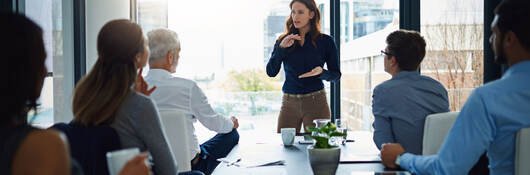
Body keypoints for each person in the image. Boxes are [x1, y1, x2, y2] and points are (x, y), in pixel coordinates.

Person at [380, 0, 530, 174]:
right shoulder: (438, 88)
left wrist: (401, 157)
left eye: (495, 33)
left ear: (510, 39)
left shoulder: (488, 99)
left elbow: (446, 169)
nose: (490, 40)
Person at [1, 13, 151, 175]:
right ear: (19, 70)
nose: (45, 72)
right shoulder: (40, 147)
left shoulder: (86, 94)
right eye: (42, 61)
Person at [71, 20, 202, 175]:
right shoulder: (140, 105)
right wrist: (141, 101)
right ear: (138, 57)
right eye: (146, 45)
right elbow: (169, 170)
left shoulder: (84, 95)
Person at [145, 28, 239, 175]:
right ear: (170, 57)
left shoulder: (134, 90)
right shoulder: (187, 87)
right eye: (178, 54)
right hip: (192, 167)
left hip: (151, 169)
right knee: (231, 134)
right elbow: (213, 123)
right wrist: (231, 123)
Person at [266, 0, 341, 133]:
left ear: (311, 14)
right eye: (293, 12)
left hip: (317, 102)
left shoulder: (326, 41)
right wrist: (281, 49)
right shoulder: (283, 41)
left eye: (300, 12)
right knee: (286, 147)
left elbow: (336, 75)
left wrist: (321, 72)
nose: (295, 16)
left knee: (319, 147)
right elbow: (271, 72)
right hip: (289, 104)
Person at [372, 30, 449, 155]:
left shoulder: (382, 91)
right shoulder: (438, 88)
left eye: (385, 54)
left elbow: (383, 143)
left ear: (393, 60)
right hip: (436, 166)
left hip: (403, 166)